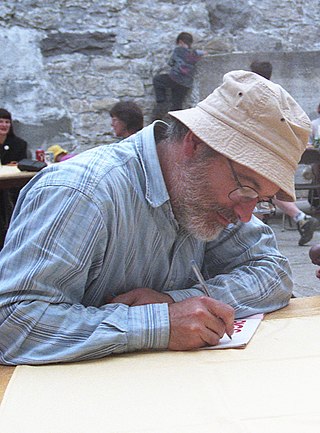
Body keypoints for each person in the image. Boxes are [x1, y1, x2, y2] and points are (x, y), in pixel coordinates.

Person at [0, 70, 311, 365]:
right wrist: (158, 325)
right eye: (246, 190)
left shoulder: (204, 195)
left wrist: (172, 301)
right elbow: (13, 324)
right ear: (196, 144)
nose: (246, 215)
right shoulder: (82, 193)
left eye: (262, 200)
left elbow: (273, 275)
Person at [250, 61, 319, 246]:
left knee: (256, 186)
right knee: (268, 188)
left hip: (260, 147)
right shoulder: (279, 93)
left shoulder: (252, 93)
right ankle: (300, 218)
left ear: (252, 73)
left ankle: (259, 233)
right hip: (278, 146)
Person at [152, 32, 206, 120]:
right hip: (186, 84)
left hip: (174, 78)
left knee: (158, 80)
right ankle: (176, 124)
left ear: (180, 41)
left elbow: (171, 63)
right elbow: (204, 53)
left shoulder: (178, 50)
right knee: (177, 104)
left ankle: (161, 103)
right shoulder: (195, 53)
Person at [0, 108, 28, 250]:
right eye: (1, 122)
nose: (4, 125)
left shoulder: (19, 144)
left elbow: (21, 162)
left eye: (7, 122)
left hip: (11, 186)